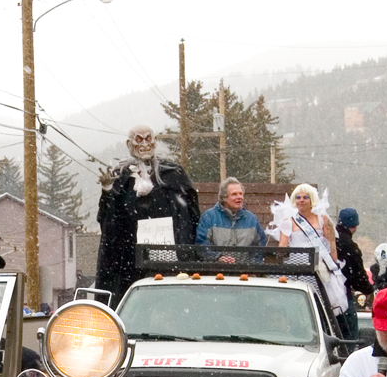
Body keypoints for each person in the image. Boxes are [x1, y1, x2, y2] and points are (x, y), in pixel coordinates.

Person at [96, 124, 200, 305]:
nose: (144, 144)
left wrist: (184, 248)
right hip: (130, 259)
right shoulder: (120, 176)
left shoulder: (172, 173)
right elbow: (108, 220)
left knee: (170, 303)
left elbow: (190, 214)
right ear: (129, 144)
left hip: (168, 256)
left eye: (148, 138)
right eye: (138, 139)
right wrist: (107, 190)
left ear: (155, 141)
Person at [274, 184, 346, 321]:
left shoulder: (323, 219)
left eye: (305, 197)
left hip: (318, 269)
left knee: (320, 307)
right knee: (298, 307)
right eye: (298, 197)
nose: (301, 200)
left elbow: (331, 244)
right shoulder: (288, 221)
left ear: (312, 199)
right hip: (297, 269)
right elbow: (282, 246)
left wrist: (334, 266)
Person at [196, 178, 266, 263]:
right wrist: (218, 257)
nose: (239, 197)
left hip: (245, 273)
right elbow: (201, 243)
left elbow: (259, 246)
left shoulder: (252, 219)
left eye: (240, 194)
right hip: (216, 272)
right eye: (234, 194)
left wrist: (253, 267)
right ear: (224, 198)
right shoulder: (209, 217)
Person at [333, 207, 372, 340]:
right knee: (349, 337)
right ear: (355, 226)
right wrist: (368, 289)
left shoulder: (328, 240)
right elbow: (358, 277)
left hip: (323, 294)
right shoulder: (350, 246)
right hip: (343, 296)